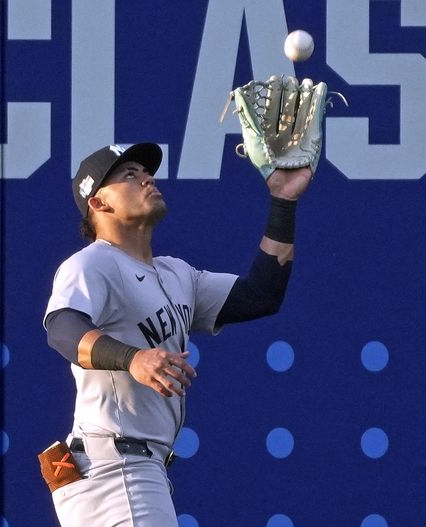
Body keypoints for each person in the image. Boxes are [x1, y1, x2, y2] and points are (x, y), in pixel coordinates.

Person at [43, 142, 311, 527]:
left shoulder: (176, 273)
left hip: (135, 468)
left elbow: (261, 295)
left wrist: (283, 203)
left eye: (146, 172)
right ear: (99, 203)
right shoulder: (92, 263)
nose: (147, 178)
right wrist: (133, 358)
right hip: (114, 469)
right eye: (129, 176)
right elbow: (63, 330)